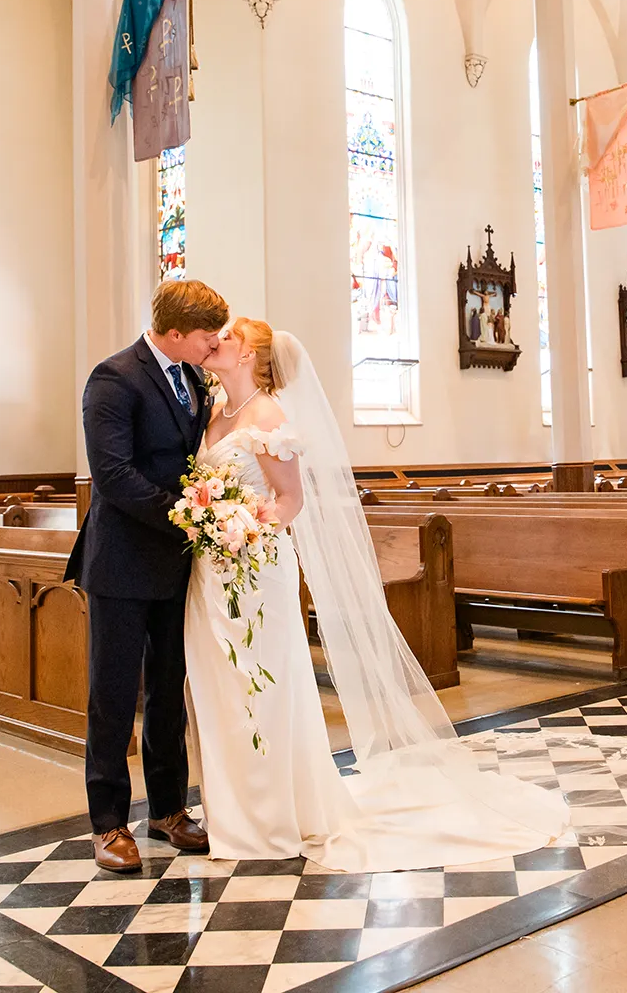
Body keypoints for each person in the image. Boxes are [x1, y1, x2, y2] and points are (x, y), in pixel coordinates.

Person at [184, 318, 569, 871]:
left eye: (228, 336)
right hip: (210, 572)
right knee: (219, 685)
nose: (217, 339)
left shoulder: (269, 417)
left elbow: (290, 500)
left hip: (254, 565)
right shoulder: (216, 408)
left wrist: (245, 526)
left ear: (249, 356)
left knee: (263, 683)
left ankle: (273, 815)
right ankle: (233, 812)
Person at [66, 279, 230, 873]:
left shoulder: (191, 378)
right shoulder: (114, 379)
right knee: (112, 695)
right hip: (122, 561)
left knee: (168, 694)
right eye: (207, 335)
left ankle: (166, 810)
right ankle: (108, 823)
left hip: (178, 563)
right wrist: (191, 517)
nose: (215, 344)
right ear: (175, 333)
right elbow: (113, 476)